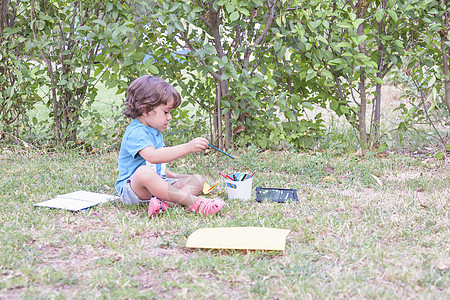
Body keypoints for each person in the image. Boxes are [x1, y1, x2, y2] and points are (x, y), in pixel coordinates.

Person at [115, 75, 225, 217]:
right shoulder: (136, 132)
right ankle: (194, 202)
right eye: (166, 112)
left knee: (196, 179)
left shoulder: (154, 131)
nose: (170, 117)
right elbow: (153, 157)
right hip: (134, 190)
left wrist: (177, 176)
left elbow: (156, 168)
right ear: (145, 110)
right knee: (143, 172)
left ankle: (165, 205)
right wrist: (188, 147)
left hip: (157, 186)